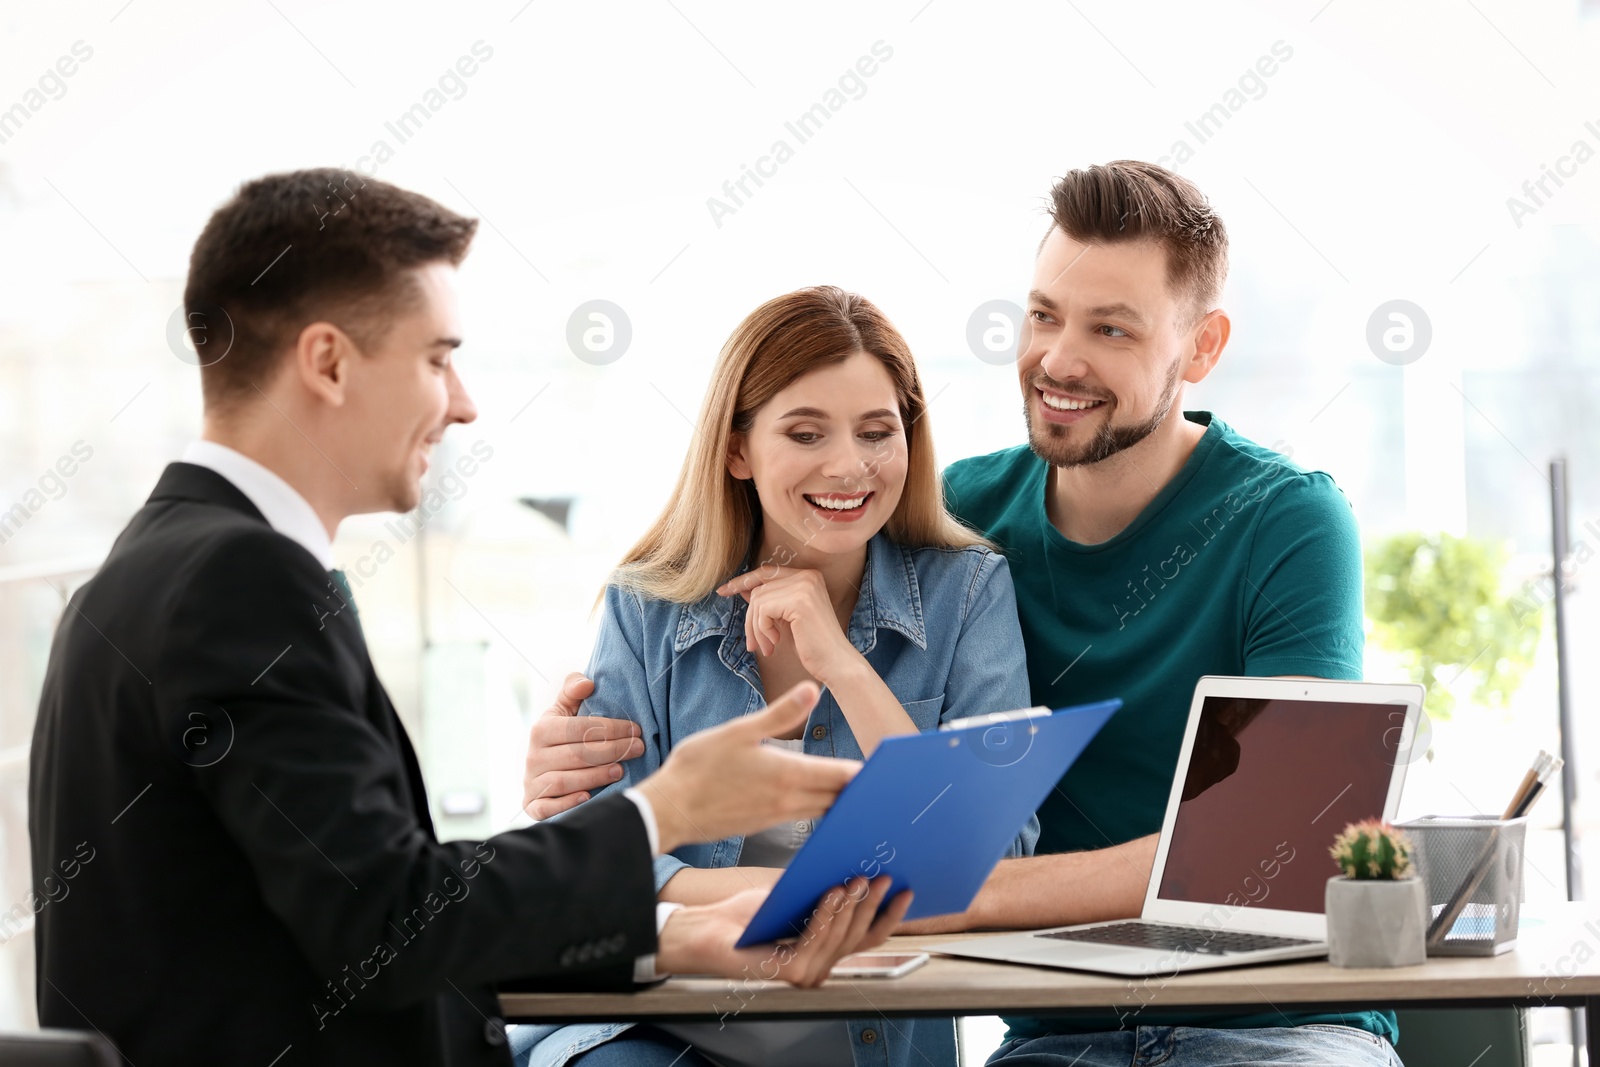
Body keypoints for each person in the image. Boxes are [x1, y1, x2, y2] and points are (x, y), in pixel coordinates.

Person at [522, 161, 1400, 1067]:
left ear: (1202, 347)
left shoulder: (1286, 520)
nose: (1059, 358)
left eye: (1111, 329)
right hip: (1060, 1034)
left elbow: (1283, 841)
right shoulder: (964, 520)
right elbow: (591, 850)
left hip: (1272, 1023)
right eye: (1044, 315)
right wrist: (570, 770)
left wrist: (930, 887)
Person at [27, 170, 907, 1067]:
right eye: (437, 358)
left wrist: (666, 931)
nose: (463, 401)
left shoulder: (164, 559)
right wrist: (662, 809)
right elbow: (388, 921)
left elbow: (361, 900)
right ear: (327, 362)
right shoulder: (241, 580)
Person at [512, 286, 1034, 1067]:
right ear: (737, 449)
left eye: (875, 431)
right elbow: (600, 860)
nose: (848, 465)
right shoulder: (649, 603)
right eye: (805, 432)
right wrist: (802, 902)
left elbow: (998, 860)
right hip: (661, 1032)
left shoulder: (969, 593)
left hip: (868, 1042)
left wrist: (844, 665)